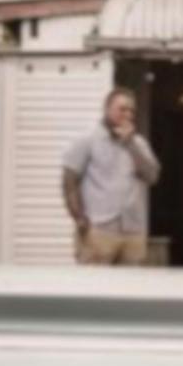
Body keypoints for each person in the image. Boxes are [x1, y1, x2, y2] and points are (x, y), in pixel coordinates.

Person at [61, 87, 162, 266]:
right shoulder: (88, 139)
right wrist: (79, 218)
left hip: (133, 231)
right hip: (99, 229)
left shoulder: (139, 143)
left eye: (131, 111)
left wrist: (130, 144)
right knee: (94, 283)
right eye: (122, 109)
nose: (128, 115)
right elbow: (69, 180)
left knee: (130, 284)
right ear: (107, 109)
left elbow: (152, 176)